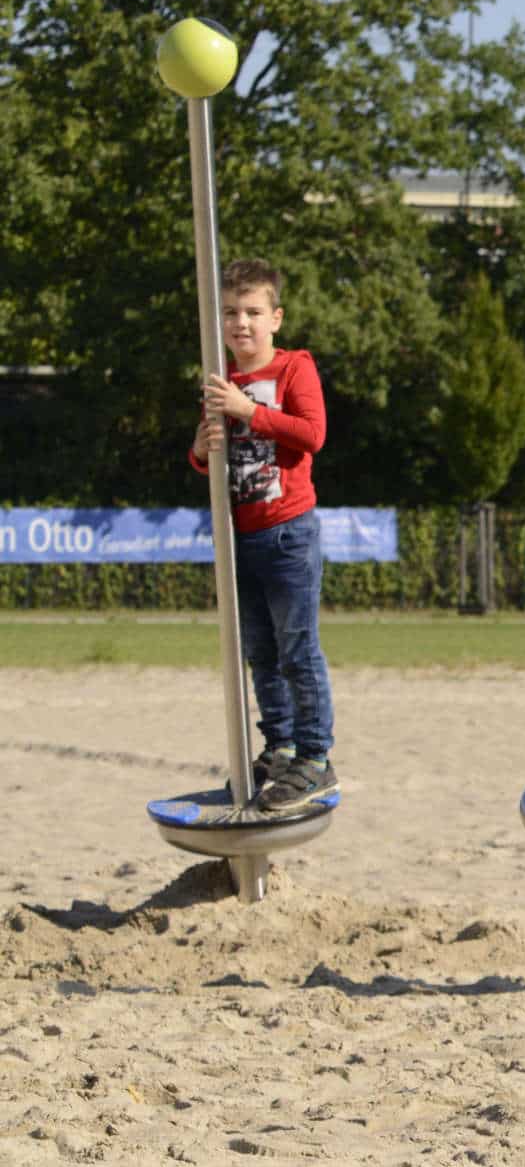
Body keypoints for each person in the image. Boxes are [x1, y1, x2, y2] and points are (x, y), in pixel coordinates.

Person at [186, 257, 334, 811]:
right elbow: (211, 461)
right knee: (261, 655)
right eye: (229, 313)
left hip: (288, 532)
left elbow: (312, 435)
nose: (240, 323)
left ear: (276, 317)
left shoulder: (294, 369)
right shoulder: (218, 378)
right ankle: (281, 748)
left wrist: (249, 409)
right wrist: (201, 450)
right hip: (239, 539)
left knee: (299, 651)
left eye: (252, 312)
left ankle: (316, 758)